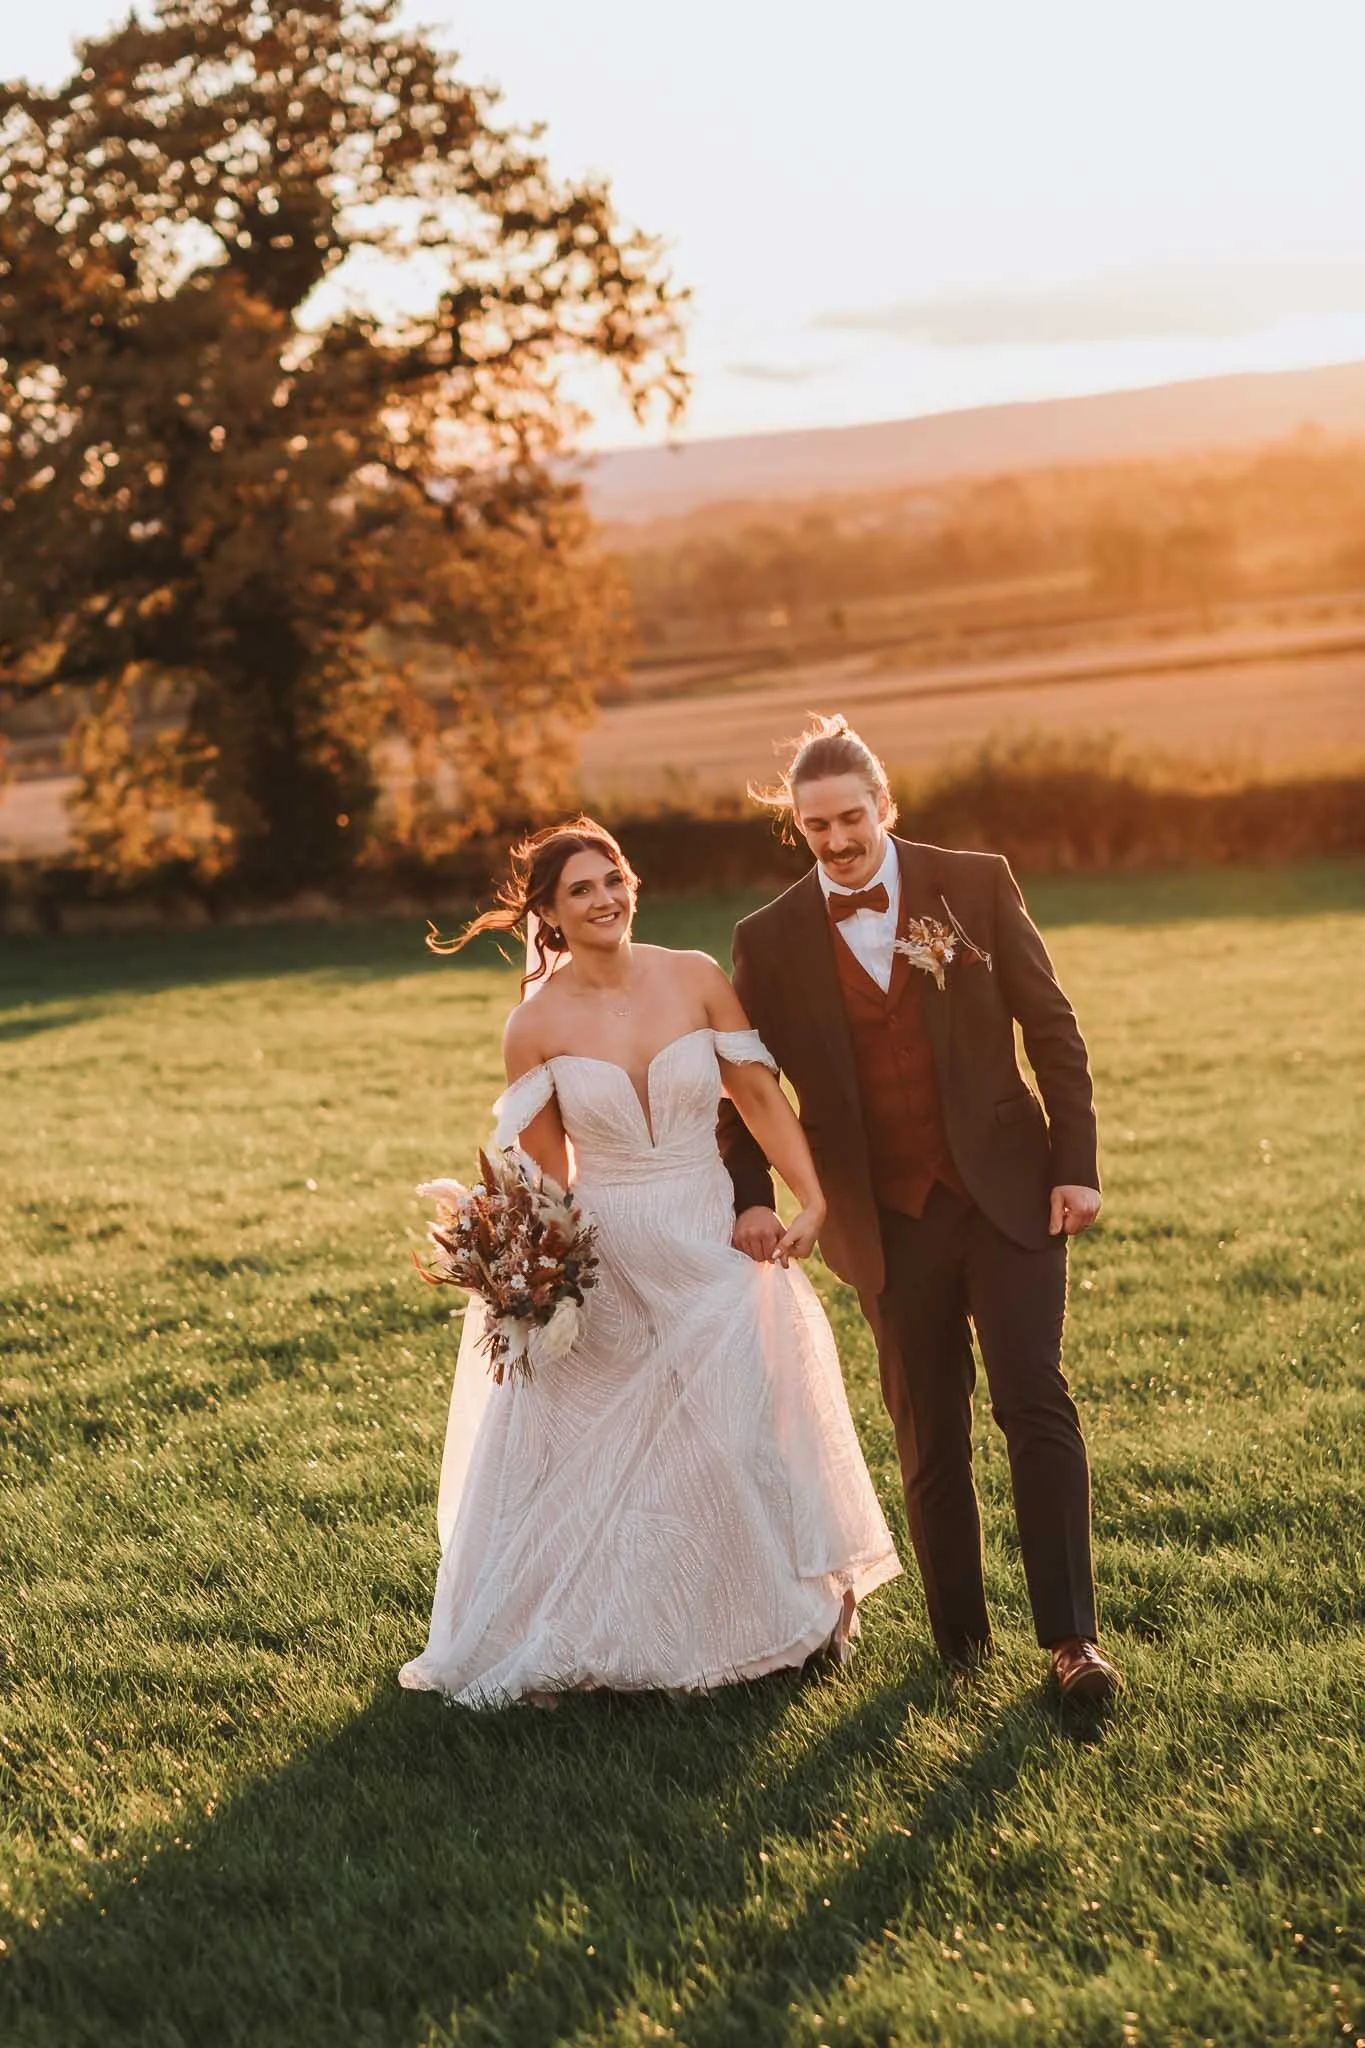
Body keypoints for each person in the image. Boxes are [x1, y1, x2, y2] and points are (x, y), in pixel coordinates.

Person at [400, 818, 899, 1707]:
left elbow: (754, 1096)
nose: (605, 900)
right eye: (580, 891)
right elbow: (547, 1173)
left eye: (613, 879)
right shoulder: (534, 1023)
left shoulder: (695, 976)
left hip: (708, 1229)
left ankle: (788, 1612)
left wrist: (808, 1197)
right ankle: (628, 1626)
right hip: (612, 1246)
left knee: (741, 1423)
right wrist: (537, 1275)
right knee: (612, 1447)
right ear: (549, 916)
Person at [718, 716, 1121, 1704]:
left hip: (1009, 1194)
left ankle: (1073, 1643)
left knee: (1035, 1397)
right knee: (928, 1430)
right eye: (816, 826)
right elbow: (742, 1083)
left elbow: (1050, 1023)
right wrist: (752, 1198)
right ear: (799, 829)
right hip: (882, 1218)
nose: (838, 839)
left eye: (852, 816)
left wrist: (1076, 1164)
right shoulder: (767, 940)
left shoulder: (972, 881)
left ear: (884, 806)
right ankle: (960, 1648)